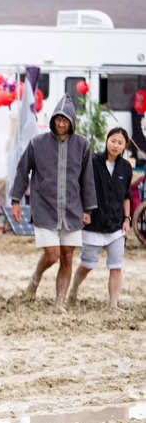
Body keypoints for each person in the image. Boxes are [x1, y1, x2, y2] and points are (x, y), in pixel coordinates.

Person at [10, 94, 97, 313]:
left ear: (72, 122)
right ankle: (36, 278)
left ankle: (59, 303)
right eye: (58, 119)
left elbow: (87, 178)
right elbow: (22, 171)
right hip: (45, 207)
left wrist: (87, 209)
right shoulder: (37, 143)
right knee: (53, 253)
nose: (61, 123)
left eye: (65, 120)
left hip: (72, 209)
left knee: (67, 255)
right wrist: (15, 200)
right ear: (52, 120)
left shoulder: (82, 145)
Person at [68, 128, 133, 310]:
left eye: (120, 142)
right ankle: (73, 290)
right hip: (93, 224)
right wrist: (83, 210)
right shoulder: (93, 161)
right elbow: (82, 186)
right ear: (106, 140)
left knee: (116, 266)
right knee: (87, 264)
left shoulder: (126, 168)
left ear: (124, 146)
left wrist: (127, 219)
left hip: (116, 226)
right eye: (113, 140)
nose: (115, 145)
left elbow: (126, 196)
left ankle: (113, 305)